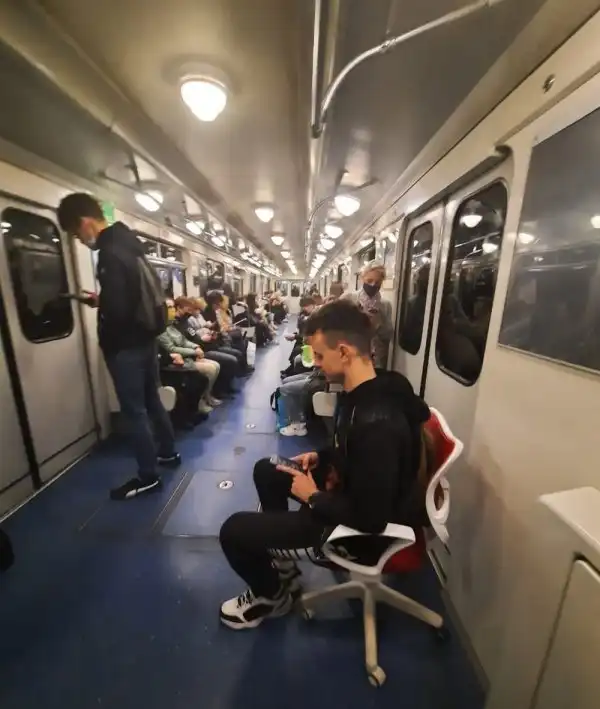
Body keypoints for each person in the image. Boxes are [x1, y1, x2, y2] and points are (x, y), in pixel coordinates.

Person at [219, 300, 431, 629]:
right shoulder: (375, 387)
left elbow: (371, 519)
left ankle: (271, 596)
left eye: (319, 355)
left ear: (344, 352)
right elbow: (355, 449)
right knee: (267, 469)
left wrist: (313, 497)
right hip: (351, 491)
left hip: (357, 531)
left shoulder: (377, 422)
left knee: (233, 532)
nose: (315, 364)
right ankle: (283, 570)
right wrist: (325, 456)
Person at [57, 193, 180, 501]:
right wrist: (104, 300)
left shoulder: (109, 253)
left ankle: (148, 477)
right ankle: (168, 452)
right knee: (152, 400)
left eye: (76, 233)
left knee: (134, 412)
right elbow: (131, 296)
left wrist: (103, 310)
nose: (80, 240)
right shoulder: (131, 243)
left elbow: (119, 310)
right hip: (146, 340)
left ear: (85, 223)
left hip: (125, 347)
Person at [158, 300, 223, 414]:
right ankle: (201, 401)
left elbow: (184, 341)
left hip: (188, 356)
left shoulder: (171, 326)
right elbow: (171, 349)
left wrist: (195, 347)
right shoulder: (161, 330)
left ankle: (207, 395)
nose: (172, 310)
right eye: (169, 307)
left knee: (216, 365)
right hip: (177, 361)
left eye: (173, 307)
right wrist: (194, 352)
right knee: (211, 369)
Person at [172, 297, 239, 395]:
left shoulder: (185, 321)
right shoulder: (178, 323)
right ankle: (215, 393)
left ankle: (220, 390)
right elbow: (184, 342)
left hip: (204, 346)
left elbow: (192, 338)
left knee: (232, 356)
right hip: (197, 351)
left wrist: (208, 336)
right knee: (227, 361)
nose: (191, 311)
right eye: (189, 309)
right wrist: (197, 346)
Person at [344, 260, 393, 368]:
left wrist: (378, 324)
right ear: (362, 278)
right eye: (369, 280)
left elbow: (387, 336)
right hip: (352, 356)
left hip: (376, 360)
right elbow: (337, 326)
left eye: (377, 282)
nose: (373, 285)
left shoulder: (385, 305)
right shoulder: (349, 299)